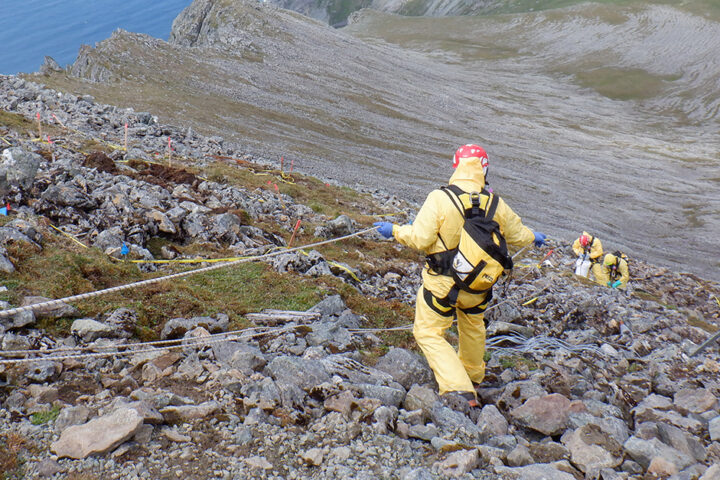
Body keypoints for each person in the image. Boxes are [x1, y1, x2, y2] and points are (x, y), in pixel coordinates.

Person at [373, 144, 545, 411]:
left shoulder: (440, 198)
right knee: (473, 326)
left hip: (442, 283)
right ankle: (474, 377)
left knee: (428, 332)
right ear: (484, 169)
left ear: (457, 167)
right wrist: (535, 237)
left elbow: (420, 238)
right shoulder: (496, 203)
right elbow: (518, 233)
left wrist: (394, 230)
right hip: (478, 285)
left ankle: (459, 389)